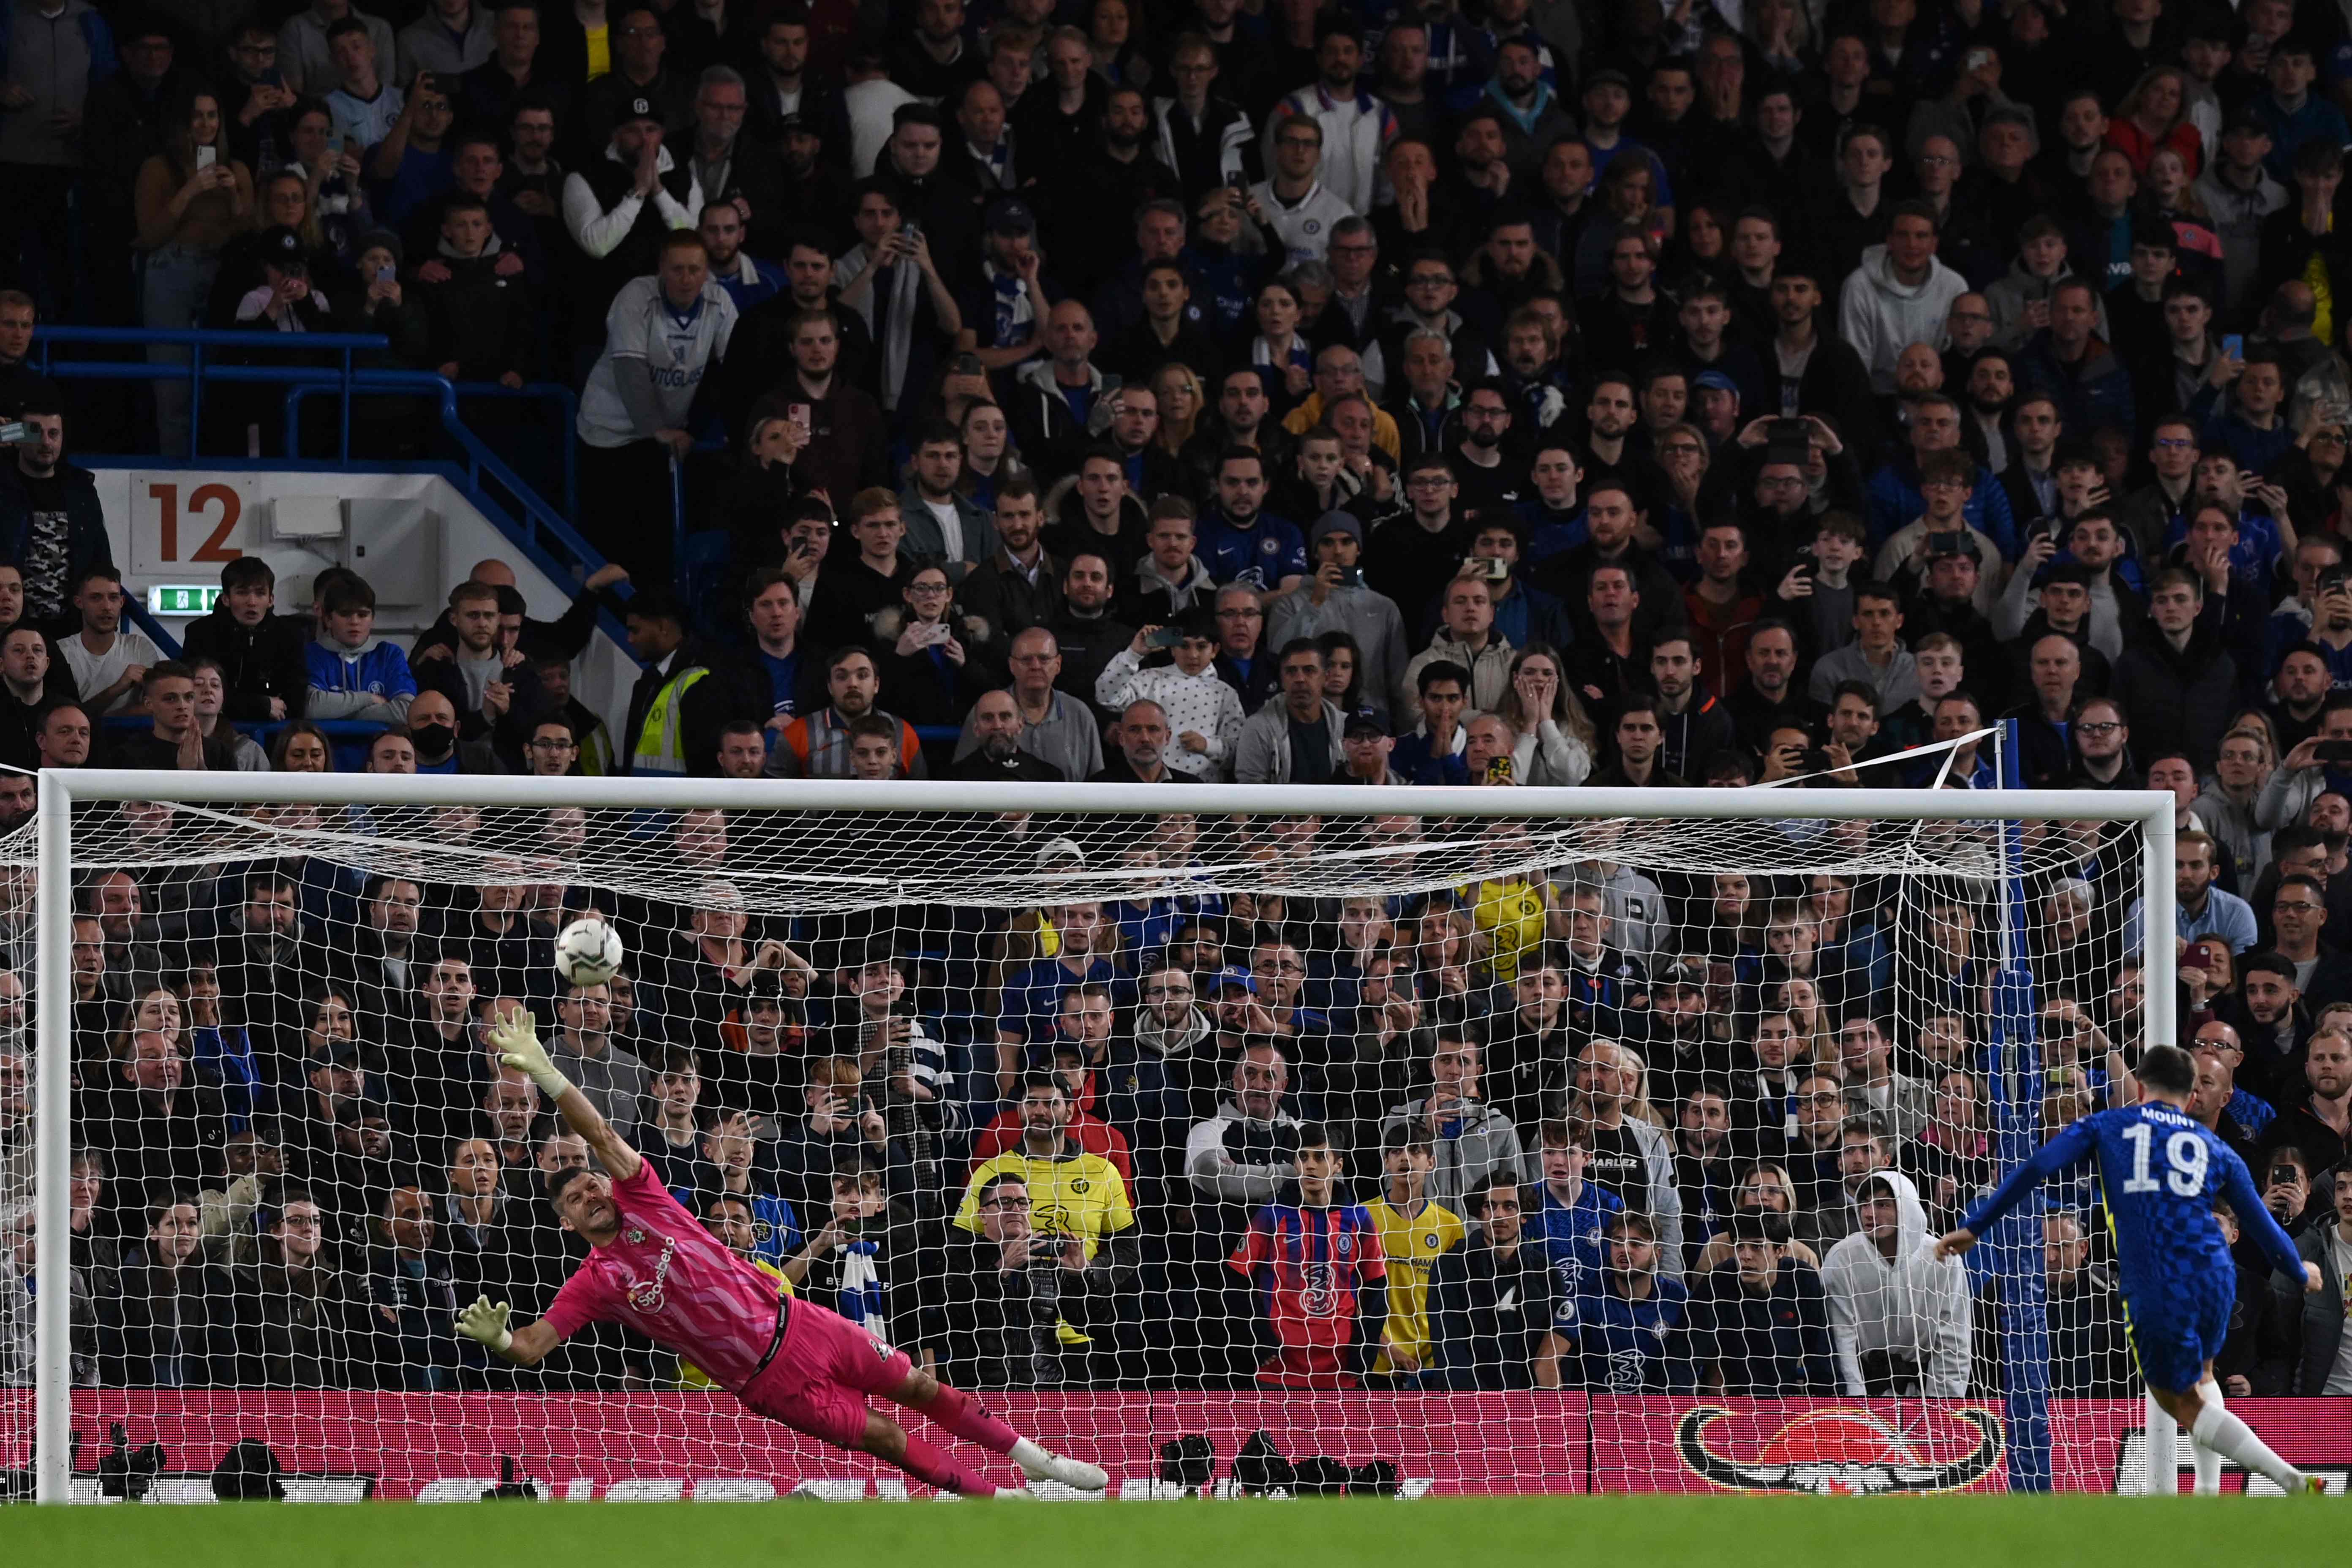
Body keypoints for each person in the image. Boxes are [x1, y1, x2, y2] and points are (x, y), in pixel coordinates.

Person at [453, 1005, 1109, 1495]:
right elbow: (536, 1345)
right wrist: (502, 1341)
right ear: (567, 1223)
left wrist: (546, 1070)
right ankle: (1002, 1502)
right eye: (576, 1200)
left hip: (804, 1323)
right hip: (768, 1381)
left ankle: (1035, 1458)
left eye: (593, 1184)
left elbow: (599, 1131)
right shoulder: (594, 1282)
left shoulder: (645, 1199)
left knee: (916, 1383)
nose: (592, 1195)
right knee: (885, 1438)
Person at [1937, 1043, 2325, 1496]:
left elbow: (2039, 1164)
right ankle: (2207, 1492)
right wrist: (2299, 1271)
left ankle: (2290, 1479)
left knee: (2176, 1400)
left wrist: (1975, 1226)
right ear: (2191, 1096)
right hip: (2219, 1274)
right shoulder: (2213, 1146)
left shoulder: (2109, 1124)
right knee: (2203, 1374)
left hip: (2161, 1277)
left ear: (2139, 1087)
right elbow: (2260, 1225)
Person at [1226, 1124, 1388, 1388]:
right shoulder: (1272, 1215)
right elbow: (1236, 1279)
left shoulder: (1359, 1219)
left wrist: (1365, 1349)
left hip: (1341, 1367)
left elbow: (1377, 1286)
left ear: (1338, 1165)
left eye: (1320, 1157)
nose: (1310, 1166)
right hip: (1278, 1366)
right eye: (1303, 1157)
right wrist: (1258, 1337)